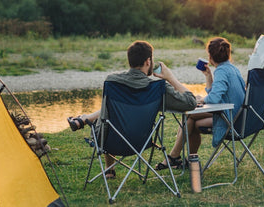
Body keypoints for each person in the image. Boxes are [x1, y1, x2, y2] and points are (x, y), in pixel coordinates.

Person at [67, 40, 197, 179]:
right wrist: (170, 78)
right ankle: (85, 119)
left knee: (107, 116)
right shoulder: (158, 88)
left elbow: (106, 115)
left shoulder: (113, 81)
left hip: (109, 141)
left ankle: (108, 167)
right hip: (141, 142)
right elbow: (190, 103)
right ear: (148, 61)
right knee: (108, 113)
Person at [156, 37, 245, 169]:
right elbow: (216, 94)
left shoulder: (221, 71)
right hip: (237, 115)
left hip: (230, 119)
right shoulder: (231, 69)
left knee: (190, 118)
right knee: (191, 120)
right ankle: (186, 159)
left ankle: (174, 157)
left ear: (210, 56)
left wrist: (201, 100)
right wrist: (208, 76)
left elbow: (214, 99)